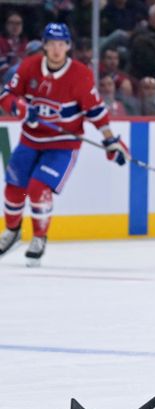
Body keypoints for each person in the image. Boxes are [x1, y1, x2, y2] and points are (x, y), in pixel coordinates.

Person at [0, 23, 128, 266]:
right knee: (13, 188)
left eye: (61, 44)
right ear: (44, 46)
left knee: (38, 189)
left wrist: (110, 140)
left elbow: (96, 111)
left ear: (68, 46)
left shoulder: (80, 74)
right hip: (30, 139)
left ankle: (39, 237)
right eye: (52, 44)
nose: (57, 49)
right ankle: (12, 231)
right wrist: (20, 107)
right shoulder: (29, 67)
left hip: (63, 144)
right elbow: (6, 95)